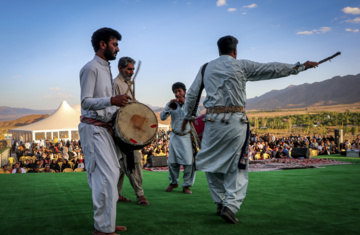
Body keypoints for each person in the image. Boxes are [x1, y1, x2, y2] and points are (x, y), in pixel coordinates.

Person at [182, 35, 318, 223]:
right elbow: (272, 69)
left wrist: (189, 117)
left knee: (213, 163)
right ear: (235, 51)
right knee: (237, 165)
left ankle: (220, 202)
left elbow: (192, 95)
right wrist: (300, 67)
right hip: (235, 122)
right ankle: (230, 205)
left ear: (218, 50)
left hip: (211, 122)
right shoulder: (242, 66)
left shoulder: (206, 68)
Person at [78, 27, 130, 235]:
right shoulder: (91, 68)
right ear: (102, 44)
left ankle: (107, 223)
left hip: (105, 130)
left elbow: (107, 106)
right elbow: (85, 102)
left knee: (111, 175)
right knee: (105, 178)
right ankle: (101, 229)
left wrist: (122, 106)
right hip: (94, 129)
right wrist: (112, 101)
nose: (117, 48)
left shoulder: (105, 68)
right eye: (114, 44)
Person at [113, 56, 149, 206]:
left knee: (123, 164)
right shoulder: (116, 84)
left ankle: (117, 194)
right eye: (129, 69)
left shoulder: (128, 84)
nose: (131, 72)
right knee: (130, 162)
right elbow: (116, 108)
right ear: (120, 68)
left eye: (133, 69)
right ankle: (140, 194)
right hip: (122, 130)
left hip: (129, 128)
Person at [161, 82, 197, 194]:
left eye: (179, 91)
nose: (177, 93)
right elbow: (162, 117)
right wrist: (169, 105)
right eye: (175, 92)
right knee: (172, 162)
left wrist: (186, 104)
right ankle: (173, 182)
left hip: (186, 136)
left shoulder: (191, 103)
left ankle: (186, 185)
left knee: (188, 163)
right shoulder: (171, 104)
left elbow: (197, 117)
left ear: (185, 92)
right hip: (174, 136)